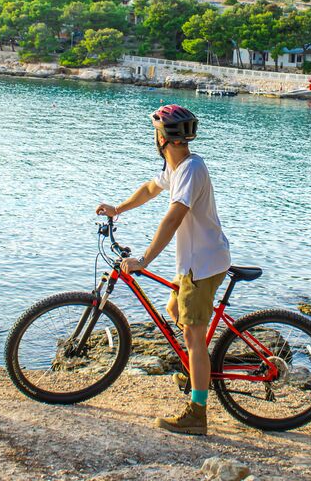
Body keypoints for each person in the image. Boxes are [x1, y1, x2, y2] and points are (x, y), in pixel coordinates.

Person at [96, 104, 231, 436]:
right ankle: (196, 369)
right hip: (197, 261)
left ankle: (197, 412)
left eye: (155, 132)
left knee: (193, 337)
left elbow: (173, 217)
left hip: (202, 265)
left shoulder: (190, 170)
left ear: (162, 137)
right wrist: (118, 209)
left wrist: (143, 259)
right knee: (175, 308)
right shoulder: (178, 165)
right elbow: (149, 188)